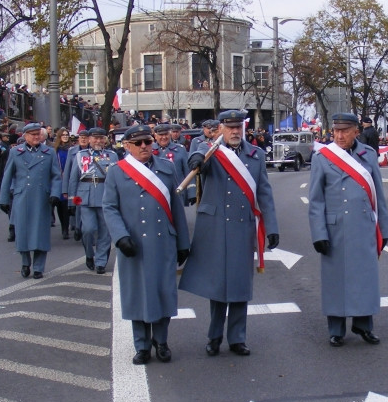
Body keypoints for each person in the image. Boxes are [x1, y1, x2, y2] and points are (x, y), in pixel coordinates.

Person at [179, 109, 279, 357]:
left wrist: (272, 227)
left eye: (238, 127)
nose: (235, 132)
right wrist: (196, 161)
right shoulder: (211, 151)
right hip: (214, 228)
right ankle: (214, 336)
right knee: (217, 285)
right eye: (230, 127)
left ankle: (237, 338)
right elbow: (198, 154)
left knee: (239, 285)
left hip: (242, 227)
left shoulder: (255, 156)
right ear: (220, 129)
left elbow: (264, 193)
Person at [102, 124, 190, 365]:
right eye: (138, 143)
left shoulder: (167, 168)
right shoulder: (117, 172)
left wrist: (183, 242)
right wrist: (120, 237)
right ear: (127, 146)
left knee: (163, 293)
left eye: (147, 142)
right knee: (137, 294)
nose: (144, 147)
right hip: (134, 244)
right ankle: (141, 345)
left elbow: (176, 207)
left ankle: (161, 342)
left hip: (163, 243)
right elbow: (109, 206)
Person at [309, 112, 388, 347]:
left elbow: (379, 196)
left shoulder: (369, 155)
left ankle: (364, 325)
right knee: (336, 280)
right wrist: (319, 233)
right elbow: (316, 200)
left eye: (345, 131)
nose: (340, 135)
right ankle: (336, 330)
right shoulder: (322, 157)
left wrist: (383, 229)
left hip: (364, 226)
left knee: (364, 278)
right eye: (336, 131)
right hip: (336, 229)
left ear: (357, 132)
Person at [0, 122, 61, 279]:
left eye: (38, 134)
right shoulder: (15, 152)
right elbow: (7, 176)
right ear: (25, 136)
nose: (36, 137)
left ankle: (39, 267)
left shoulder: (49, 152)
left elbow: (56, 176)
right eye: (32, 134)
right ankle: (25, 262)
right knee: (23, 232)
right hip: (22, 197)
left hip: (42, 197)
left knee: (41, 233)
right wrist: (4, 199)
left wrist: (55, 194)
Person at [68, 127, 118, 274]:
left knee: (105, 231)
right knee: (88, 230)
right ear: (89, 139)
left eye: (101, 138)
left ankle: (101, 261)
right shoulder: (79, 155)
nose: (98, 141)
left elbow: (117, 178)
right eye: (95, 138)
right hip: (86, 196)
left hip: (106, 196)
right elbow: (73, 179)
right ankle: (89, 254)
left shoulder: (113, 155)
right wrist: (72, 201)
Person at [62, 128, 90, 242]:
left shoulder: (93, 152)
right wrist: (65, 190)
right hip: (77, 185)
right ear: (78, 139)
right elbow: (67, 172)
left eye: (85, 137)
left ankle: (86, 232)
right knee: (77, 209)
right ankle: (78, 228)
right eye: (81, 137)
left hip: (89, 185)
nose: (83, 139)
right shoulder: (72, 151)